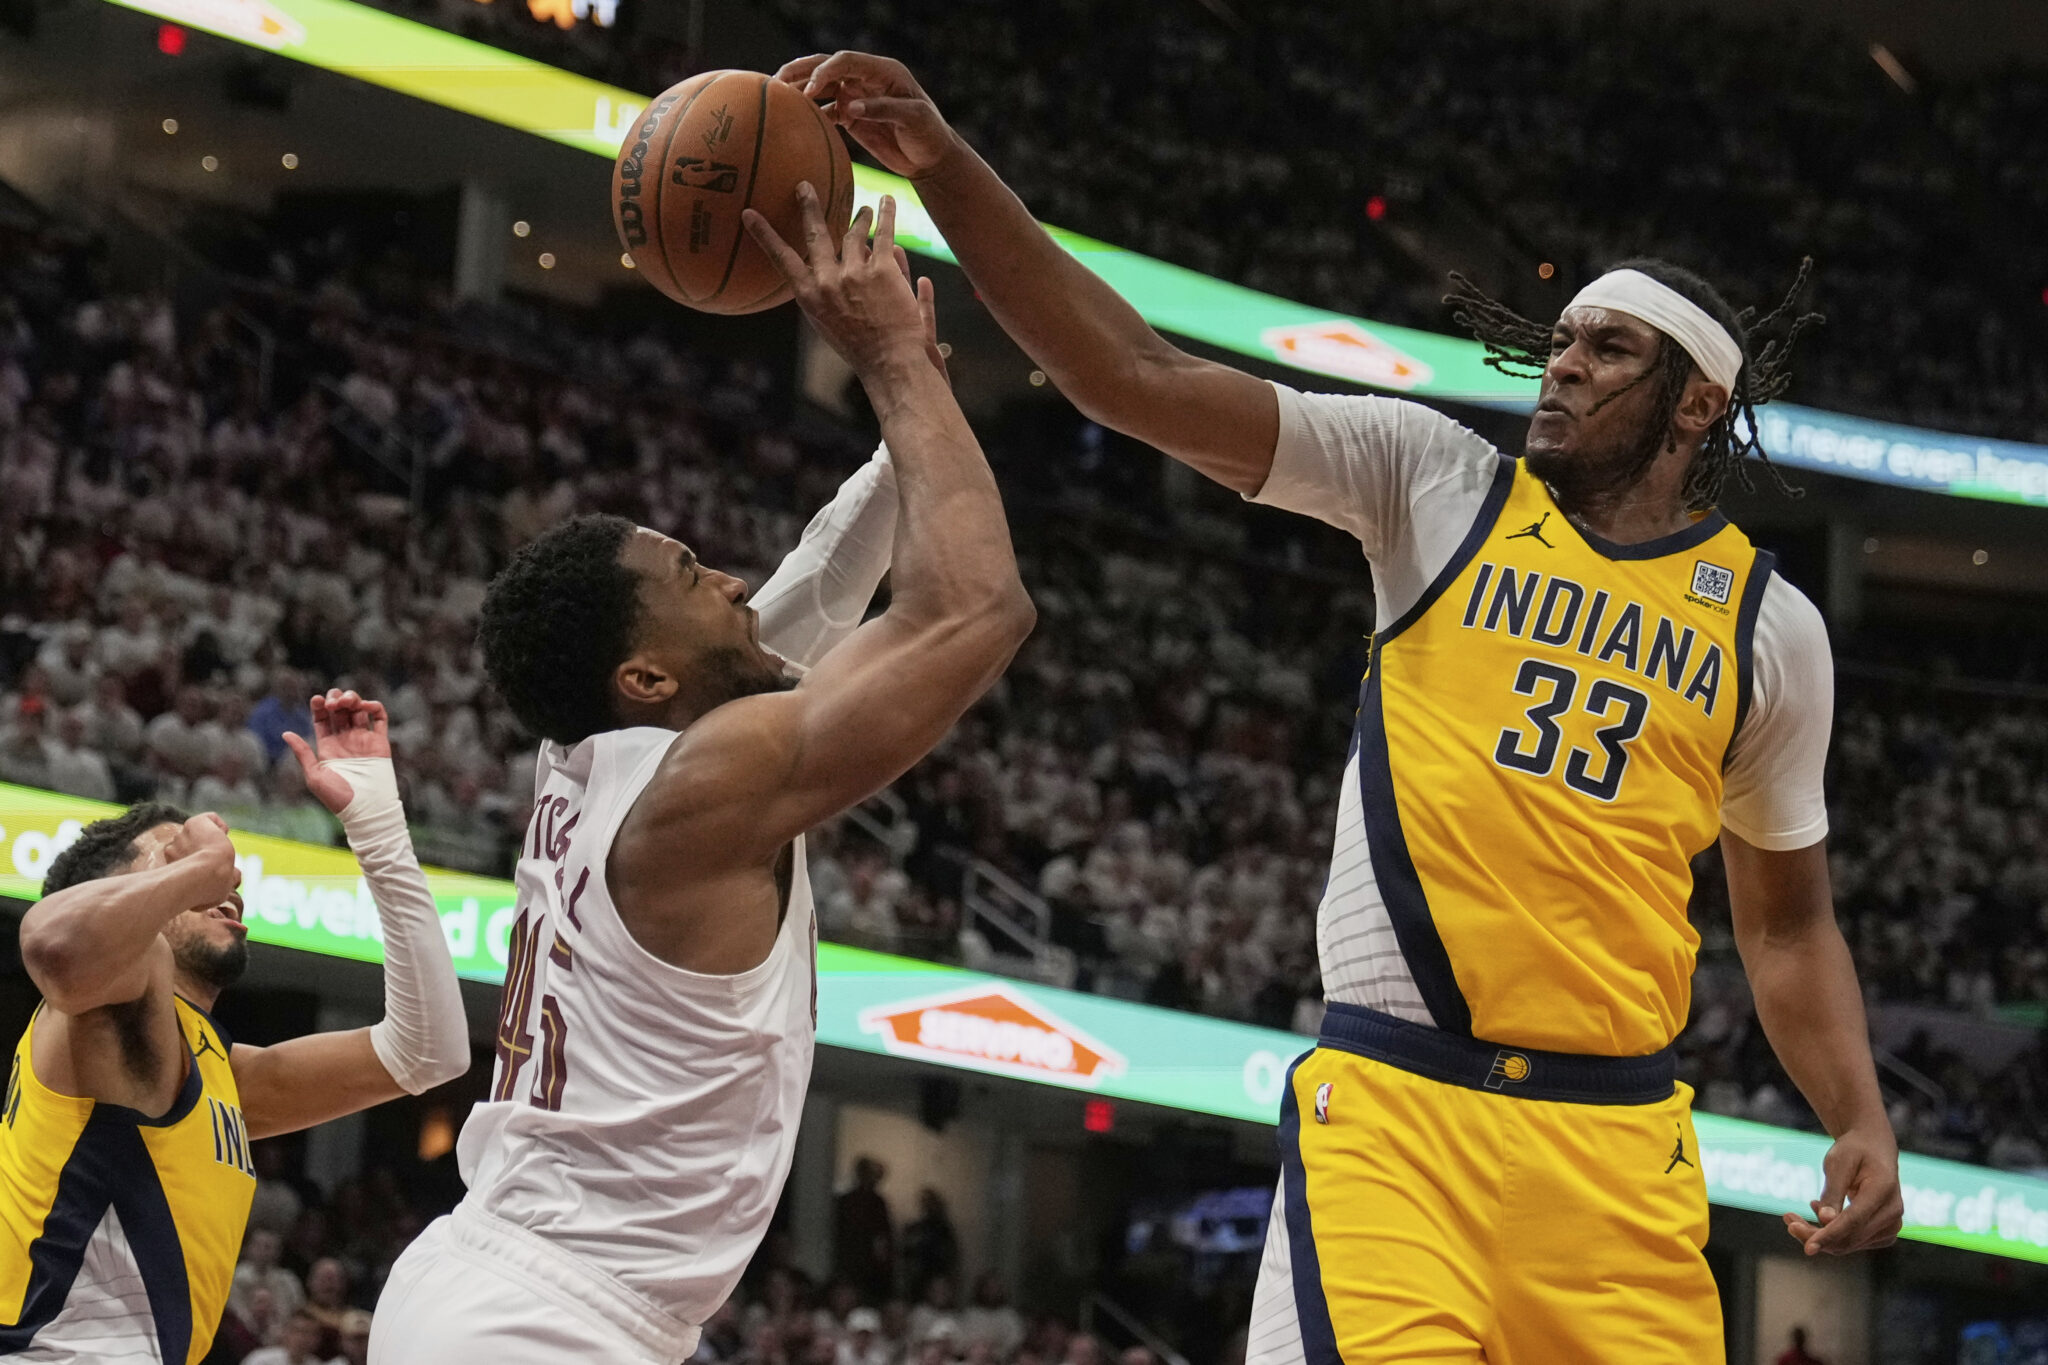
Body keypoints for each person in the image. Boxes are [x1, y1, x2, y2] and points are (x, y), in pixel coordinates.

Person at [776, 51, 1907, 1364]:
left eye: (1608, 350)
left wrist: (1858, 1112)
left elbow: (1786, 924)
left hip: (1615, 1155)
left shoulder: (1771, 627)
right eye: (1561, 341)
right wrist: (945, 168)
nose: (1562, 366)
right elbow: (1131, 375)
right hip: (1395, 1114)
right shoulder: (1434, 479)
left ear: (1695, 404)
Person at [368, 191, 1033, 1365]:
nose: (731, 580)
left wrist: (909, 410)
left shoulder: (611, 742)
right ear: (643, 673)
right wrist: (890, 367)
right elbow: (975, 610)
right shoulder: (700, 790)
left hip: (510, 1287)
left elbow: (816, 587)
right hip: (537, 1320)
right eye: (691, 575)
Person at [2, 689, 470, 1362]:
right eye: (169, 855)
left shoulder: (217, 1071)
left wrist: (377, 827)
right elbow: (54, 945)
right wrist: (199, 868)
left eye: (221, 870)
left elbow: (429, 1052)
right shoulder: (97, 1006)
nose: (227, 879)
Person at [833, 1156, 895, 1304]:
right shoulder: (850, 1201)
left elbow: (882, 1235)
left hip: (866, 1263)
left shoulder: (875, 1202)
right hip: (854, 1259)